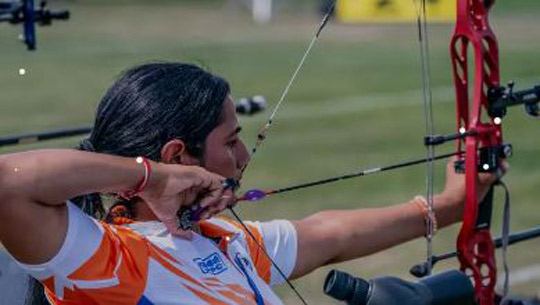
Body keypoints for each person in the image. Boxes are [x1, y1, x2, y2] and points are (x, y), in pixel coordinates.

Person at [0, 62, 498, 305]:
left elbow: (332, 235)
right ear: (179, 155)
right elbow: (7, 183)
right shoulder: (107, 259)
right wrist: (150, 177)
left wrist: (455, 203)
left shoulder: (227, 243)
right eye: (232, 141)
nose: (242, 158)